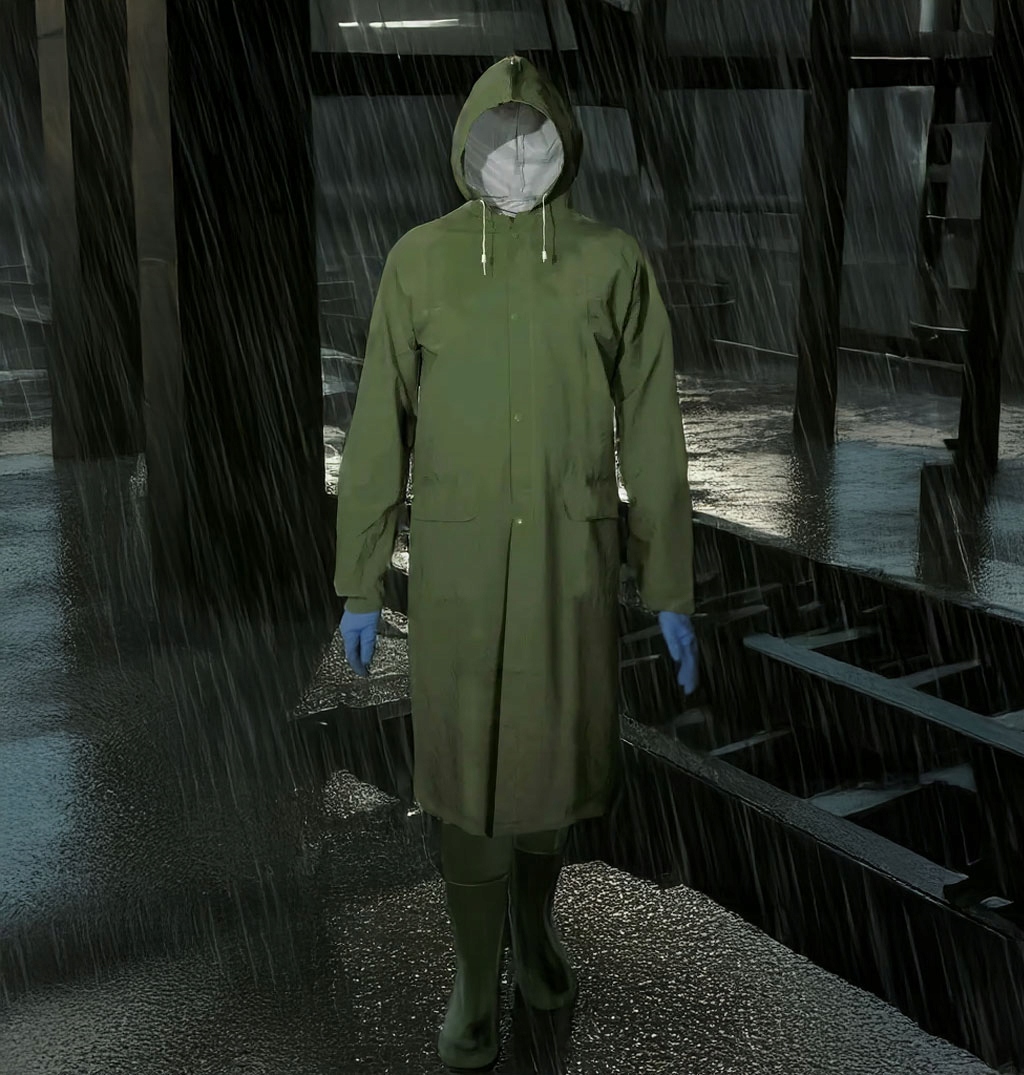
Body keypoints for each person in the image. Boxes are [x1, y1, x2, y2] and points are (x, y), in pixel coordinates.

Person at [333, 54, 699, 1073]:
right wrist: (360, 577)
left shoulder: (610, 261)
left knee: (546, 766)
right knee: (463, 773)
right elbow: (378, 426)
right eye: (497, 141)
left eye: (536, 139)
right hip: (456, 566)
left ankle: (532, 932)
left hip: (567, 563)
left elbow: (653, 430)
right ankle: (471, 973)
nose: (518, 159)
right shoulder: (420, 261)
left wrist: (668, 581)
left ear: (566, 145)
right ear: (466, 149)